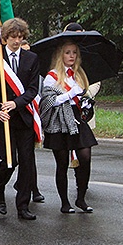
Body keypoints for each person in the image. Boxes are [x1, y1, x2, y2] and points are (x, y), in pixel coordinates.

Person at [0, 17, 42, 220]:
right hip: (3, 118)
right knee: (10, 161)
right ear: (5, 38)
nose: (16, 41)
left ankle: (23, 205)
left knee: (27, 163)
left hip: (23, 116)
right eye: (13, 37)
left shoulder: (31, 59)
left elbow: (33, 89)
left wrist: (16, 103)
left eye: (20, 37)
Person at [39, 41, 98, 213]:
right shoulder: (52, 76)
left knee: (85, 156)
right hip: (59, 120)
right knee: (62, 163)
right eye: (67, 52)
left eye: (74, 53)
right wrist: (69, 94)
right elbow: (48, 102)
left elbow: (82, 97)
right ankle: (65, 202)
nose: (71, 56)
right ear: (60, 55)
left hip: (77, 118)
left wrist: (84, 100)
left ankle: (81, 198)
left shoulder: (79, 75)